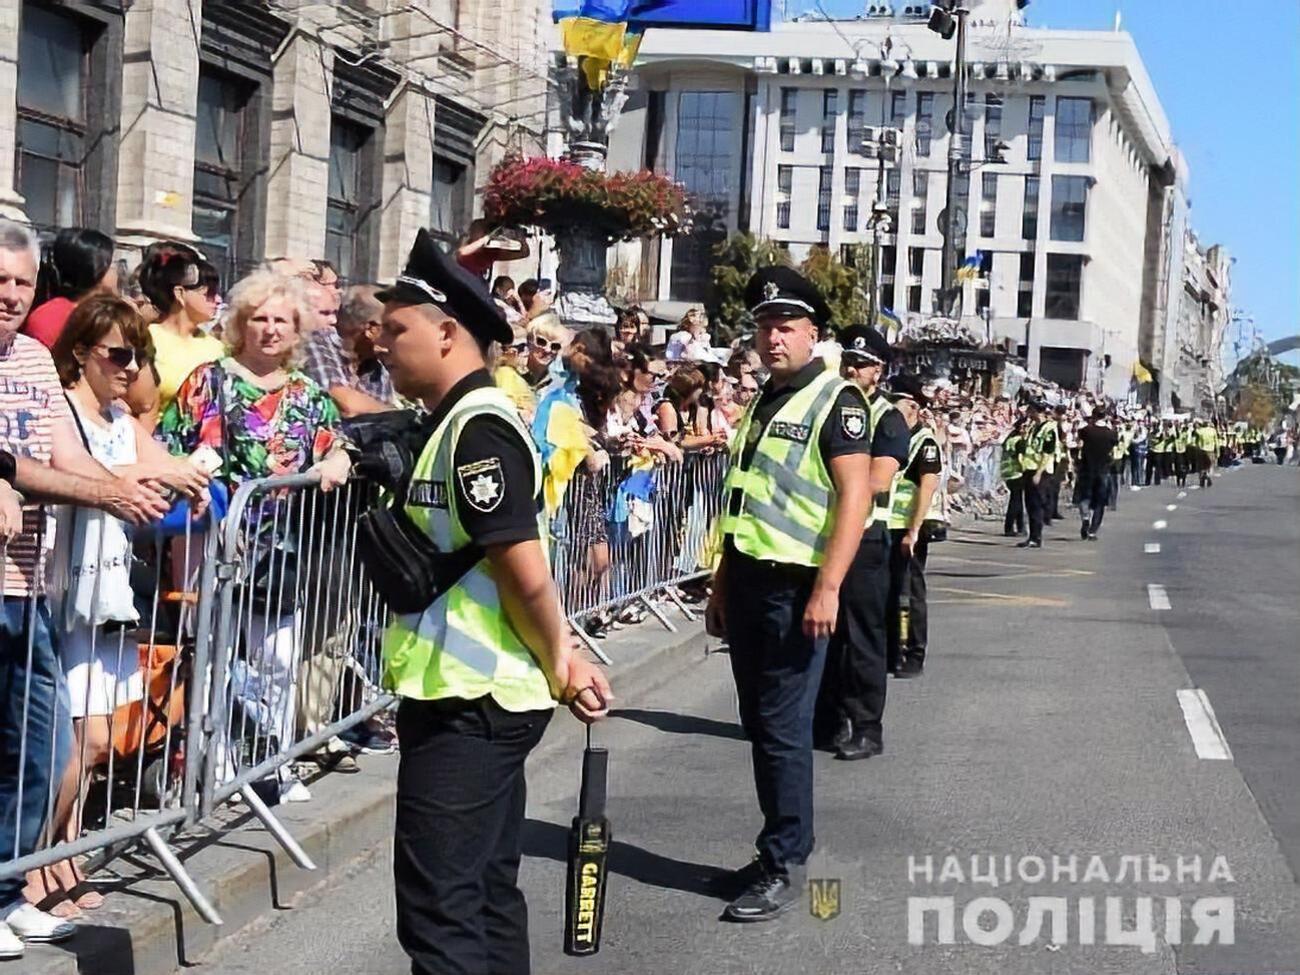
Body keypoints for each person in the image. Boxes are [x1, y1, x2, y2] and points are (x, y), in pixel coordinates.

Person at [365, 229, 611, 974]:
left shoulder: (477, 431)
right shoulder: (453, 421)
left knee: (442, 915)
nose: (381, 339)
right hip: (471, 695)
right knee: (484, 892)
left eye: (397, 326)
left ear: (446, 334)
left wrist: (565, 662)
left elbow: (524, 571)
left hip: (472, 700)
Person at [0, 219, 170, 959]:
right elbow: (18, 465)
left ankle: (9, 891)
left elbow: (62, 455)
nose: (8, 295)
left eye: (20, 282)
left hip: (29, 582)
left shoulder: (35, 358)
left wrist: (117, 491)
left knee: (36, 746)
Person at [705, 266, 872, 921]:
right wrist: (721, 581)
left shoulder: (836, 401)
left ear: (814, 334)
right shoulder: (763, 400)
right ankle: (778, 842)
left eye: (787, 327)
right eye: (764, 326)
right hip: (749, 578)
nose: (773, 338)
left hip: (798, 584)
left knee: (782, 728)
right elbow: (744, 497)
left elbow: (855, 499)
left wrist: (828, 587)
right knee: (761, 723)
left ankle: (785, 861)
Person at [36, 295, 210, 916]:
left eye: (137, 355)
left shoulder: (117, 416)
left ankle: (67, 853)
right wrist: (155, 478)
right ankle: (37, 869)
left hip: (108, 595)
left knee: (101, 741)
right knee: (77, 742)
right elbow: (87, 471)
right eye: (117, 353)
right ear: (81, 352)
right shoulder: (63, 408)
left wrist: (190, 475)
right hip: (67, 595)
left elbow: (163, 464)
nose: (130, 368)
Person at [159, 270, 352, 802]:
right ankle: (213, 765)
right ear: (241, 325)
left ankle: (270, 764)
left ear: (296, 333)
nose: (269, 330)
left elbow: (337, 445)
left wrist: (336, 459)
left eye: (281, 321)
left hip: (281, 547)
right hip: (213, 539)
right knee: (213, 654)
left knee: (278, 659)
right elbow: (165, 444)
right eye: (259, 318)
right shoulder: (209, 379)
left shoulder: (307, 393)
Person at [815, 324, 909, 761]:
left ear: (880, 371)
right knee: (824, 635)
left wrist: (835, 489)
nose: (854, 370)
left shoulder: (887, 418)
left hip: (866, 537)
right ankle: (827, 720)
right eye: (849, 362)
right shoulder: (830, 403)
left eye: (864, 364)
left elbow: (877, 478)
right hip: (823, 533)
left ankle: (867, 726)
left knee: (862, 636)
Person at [884, 373, 943, 678]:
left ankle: (914, 654)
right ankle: (891, 650)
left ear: (914, 409)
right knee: (887, 591)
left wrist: (913, 530)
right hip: (883, 525)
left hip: (908, 528)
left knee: (912, 593)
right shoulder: (891, 436)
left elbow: (927, 486)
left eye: (898, 408)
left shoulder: (924, 441)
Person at [137, 243, 224, 428]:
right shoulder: (147, 339)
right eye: (208, 293)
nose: (217, 300)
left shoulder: (218, 348)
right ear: (180, 293)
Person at [302, 283, 395, 417]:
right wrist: (398, 414)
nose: (397, 338)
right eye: (392, 329)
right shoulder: (317, 342)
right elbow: (345, 404)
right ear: (371, 329)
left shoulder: (378, 368)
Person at [22, 229, 118, 349]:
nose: (117, 273)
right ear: (96, 269)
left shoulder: (115, 311)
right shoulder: (50, 319)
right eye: (112, 265)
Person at [1016, 401, 1048, 549]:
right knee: (1029, 504)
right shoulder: (1033, 427)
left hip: (1038, 470)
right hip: (1028, 469)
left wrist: (1039, 473)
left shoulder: (1048, 429)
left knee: (1036, 505)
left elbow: (1047, 453)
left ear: (1035, 411)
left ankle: (1037, 537)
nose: (1028, 414)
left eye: (1030, 411)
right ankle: (1032, 536)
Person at [1000, 417, 1028, 536]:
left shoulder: (1010, 439)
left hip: (1007, 472)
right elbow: (1020, 458)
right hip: (1016, 472)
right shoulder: (1019, 441)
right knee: (1016, 501)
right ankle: (1009, 527)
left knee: (1017, 500)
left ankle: (1020, 526)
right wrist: (1026, 470)